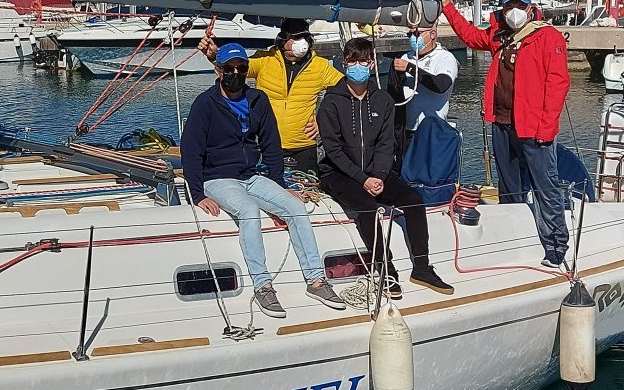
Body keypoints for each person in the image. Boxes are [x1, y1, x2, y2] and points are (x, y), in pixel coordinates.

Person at [180, 43, 346, 318]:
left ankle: (316, 280)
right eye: (229, 69)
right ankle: (263, 285)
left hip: (250, 175)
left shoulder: (258, 100)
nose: (236, 73)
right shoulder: (205, 104)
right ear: (218, 70)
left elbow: (271, 143)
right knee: (248, 210)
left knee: (295, 208)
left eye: (241, 68)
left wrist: (279, 183)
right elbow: (191, 150)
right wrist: (197, 194)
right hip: (217, 178)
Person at [440, 0, 571, 267]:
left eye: (519, 7)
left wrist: (547, 128)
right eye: (509, 7)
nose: (514, 12)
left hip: (534, 128)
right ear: (502, 9)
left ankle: (556, 246)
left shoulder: (548, 37)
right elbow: (470, 36)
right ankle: (516, 242)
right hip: (502, 124)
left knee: (545, 188)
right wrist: (448, 7)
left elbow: (558, 84)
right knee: (508, 188)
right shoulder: (499, 36)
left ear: (529, 8)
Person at [317, 37, 454, 297]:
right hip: (339, 172)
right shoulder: (331, 102)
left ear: (372, 64)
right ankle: (386, 268)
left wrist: (379, 175)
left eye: (363, 61)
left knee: (413, 199)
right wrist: (362, 178)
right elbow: (333, 150)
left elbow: (386, 143)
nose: (358, 66)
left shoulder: (383, 101)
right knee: (367, 207)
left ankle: (422, 267)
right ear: (345, 63)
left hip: (375, 170)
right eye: (352, 61)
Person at [199, 19, 342, 175]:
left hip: (303, 146)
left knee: (304, 190)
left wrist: (323, 120)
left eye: (300, 38)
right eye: (291, 37)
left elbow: (345, 91)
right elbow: (235, 68)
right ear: (282, 39)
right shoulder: (264, 60)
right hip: (265, 145)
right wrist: (215, 55)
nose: (296, 43)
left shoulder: (320, 66)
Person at [388, 18, 459, 156]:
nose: (413, 38)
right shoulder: (405, 57)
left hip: (434, 132)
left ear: (432, 34)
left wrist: (410, 68)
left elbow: (441, 85)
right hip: (408, 131)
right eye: (410, 35)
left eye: (417, 34)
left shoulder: (445, 58)